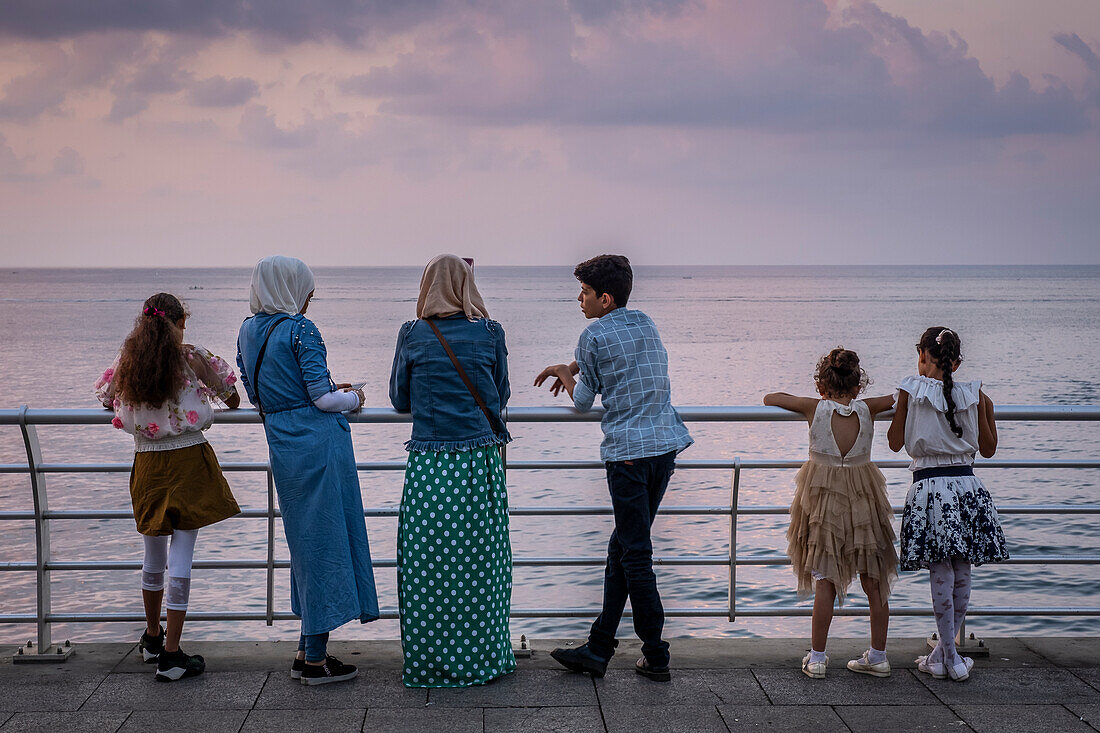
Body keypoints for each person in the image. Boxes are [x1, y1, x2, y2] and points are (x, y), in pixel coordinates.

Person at [535, 254, 692, 682]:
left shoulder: (592, 334)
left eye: (584, 293)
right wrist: (575, 366)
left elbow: (584, 401)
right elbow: (620, 366)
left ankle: (656, 654)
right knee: (622, 549)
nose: (579, 300)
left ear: (604, 298)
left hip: (627, 457)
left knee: (635, 555)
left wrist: (562, 372)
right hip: (664, 449)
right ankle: (599, 648)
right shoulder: (644, 323)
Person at [236, 255, 379, 686]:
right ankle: (315, 659)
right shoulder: (300, 329)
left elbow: (257, 393)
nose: (310, 299)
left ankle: (305, 647)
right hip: (318, 444)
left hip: (281, 441)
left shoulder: (246, 329)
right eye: (307, 292)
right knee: (327, 544)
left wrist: (314, 393)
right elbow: (321, 398)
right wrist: (353, 398)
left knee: (306, 543)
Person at [95, 293, 241, 682]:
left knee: (152, 554)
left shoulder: (129, 359)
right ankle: (173, 656)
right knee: (182, 555)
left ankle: (152, 638)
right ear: (178, 323)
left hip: (147, 463)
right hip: (189, 460)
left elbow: (105, 399)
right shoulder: (192, 356)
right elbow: (233, 397)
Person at [389, 254, 515, 688]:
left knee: (428, 568)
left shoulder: (413, 334)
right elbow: (501, 393)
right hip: (478, 464)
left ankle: (430, 662)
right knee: (481, 565)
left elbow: (399, 399)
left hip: (429, 467)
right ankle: (482, 658)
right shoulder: (490, 332)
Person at [764, 348, 898, 679]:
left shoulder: (814, 408)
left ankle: (819, 657)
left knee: (824, 579)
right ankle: (878, 655)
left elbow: (771, 398)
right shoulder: (869, 408)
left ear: (822, 386)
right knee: (874, 579)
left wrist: (813, 397)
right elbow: (896, 399)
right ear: (857, 386)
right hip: (864, 497)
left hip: (824, 502)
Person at [888, 327, 1008, 682]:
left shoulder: (910, 390)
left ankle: (950, 657)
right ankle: (945, 654)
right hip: (967, 485)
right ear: (956, 361)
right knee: (962, 569)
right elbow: (988, 449)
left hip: (929, 487)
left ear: (924, 356)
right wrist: (987, 409)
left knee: (940, 571)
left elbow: (896, 442)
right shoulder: (976, 394)